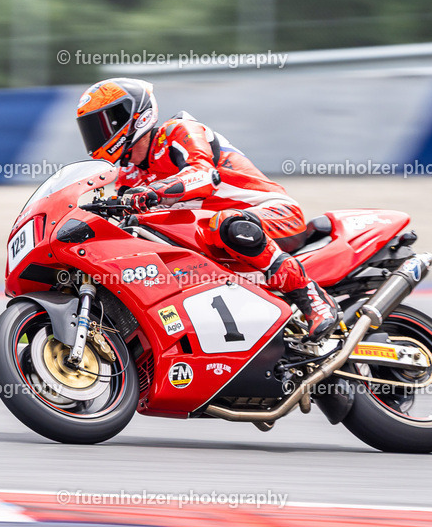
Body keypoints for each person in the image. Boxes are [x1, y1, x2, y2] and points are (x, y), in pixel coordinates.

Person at [75, 77, 341, 340]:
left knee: (228, 224)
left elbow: (203, 175)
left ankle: (309, 294)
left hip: (273, 214)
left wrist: (154, 191)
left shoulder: (178, 131)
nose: (98, 135)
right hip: (213, 237)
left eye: (104, 123)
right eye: (91, 128)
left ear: (134, 116)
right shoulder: (128, 175)